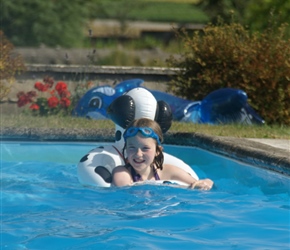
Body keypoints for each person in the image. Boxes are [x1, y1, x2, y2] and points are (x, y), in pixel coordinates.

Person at [112, 118, 214, 190]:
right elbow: (125, 193)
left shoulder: (166, 171)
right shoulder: (121, 173)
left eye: (145, 148)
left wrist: (207, 183)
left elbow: (198, 183)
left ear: (158, 151)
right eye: (132, 148)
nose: (138, 154)